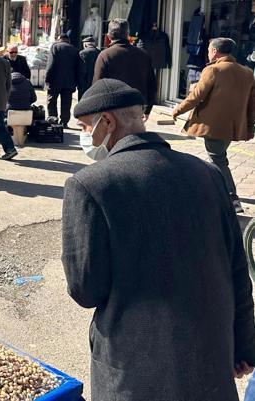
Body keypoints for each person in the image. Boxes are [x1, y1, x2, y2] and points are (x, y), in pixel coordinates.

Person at [63, 77, 255, 401]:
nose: (85, 137)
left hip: (134, 372)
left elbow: (86, 289)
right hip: (209, 361)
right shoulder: (207, 174)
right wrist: (244, 343)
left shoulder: (89, 186)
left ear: (106, 122)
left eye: (85, 127)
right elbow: (237, 265)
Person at [172, 38, 255, 213]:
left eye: (209, 49)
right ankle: (215, 191)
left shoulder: (213, 69)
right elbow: (252, 104)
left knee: (218, 159)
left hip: (213, 126)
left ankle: (232, 198)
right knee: (217, 157)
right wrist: (250, 126)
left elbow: (196, 96)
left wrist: (177, 110)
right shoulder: (247, 72)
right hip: (234, 126)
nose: (208, 53)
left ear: (215, 51)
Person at [93, 19, 156, 114]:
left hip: (112, 108)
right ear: (128, 35)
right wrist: (147, 110)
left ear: (109, 36)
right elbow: (152, 85)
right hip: (137, 107)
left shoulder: (105, 55)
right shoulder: (143, 55)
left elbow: (97, 86)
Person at [45, 33, 79, 127]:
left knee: (51, 101)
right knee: (66, 103)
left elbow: (50, 65)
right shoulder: (75, 50)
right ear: (68, 40)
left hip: (54, 81)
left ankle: (53, 120)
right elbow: (78, 67)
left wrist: (47, 78)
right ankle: (64, 121)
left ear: (59, 39)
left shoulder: (55, 47)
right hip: (69, 81)